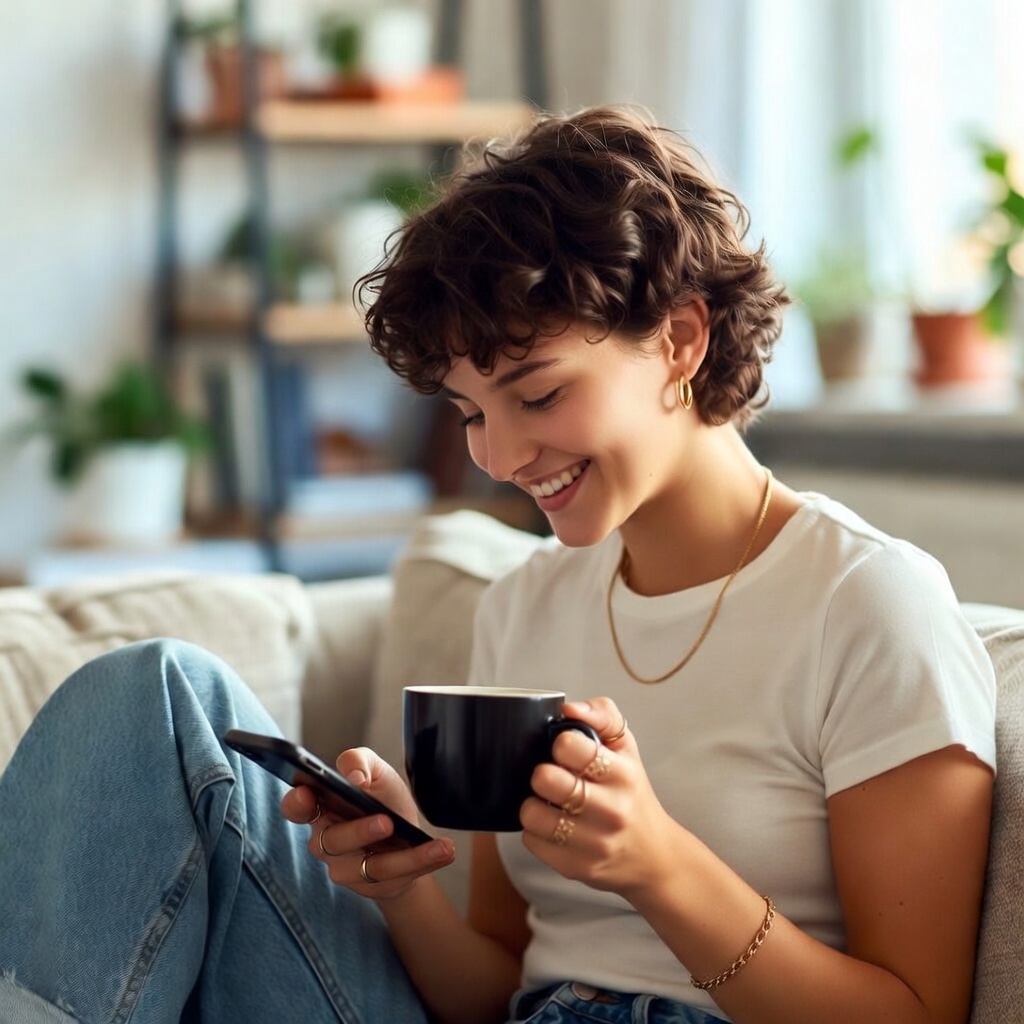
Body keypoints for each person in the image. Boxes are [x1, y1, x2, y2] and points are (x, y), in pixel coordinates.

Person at [0, 105, 995, 1024]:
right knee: (162, 696)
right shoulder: (526, 602)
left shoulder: (867, 602)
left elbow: (915, 1013)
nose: (501, 456)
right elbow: (489, 989)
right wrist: (398, 882)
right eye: (471, 411)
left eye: (538, 392)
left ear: (683, 338)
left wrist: (659, 868)